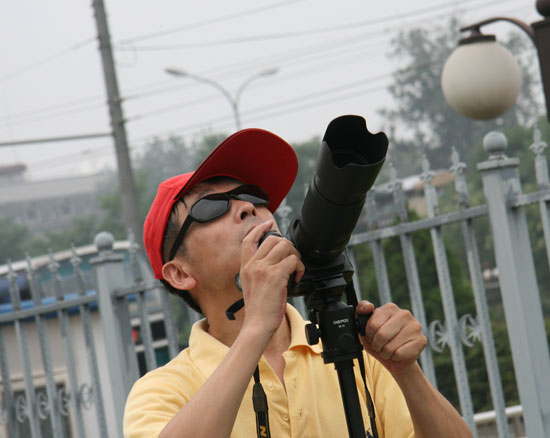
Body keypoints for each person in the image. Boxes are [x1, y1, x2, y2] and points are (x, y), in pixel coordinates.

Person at [123, 128, 473, 438]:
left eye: (254, 197)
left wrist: (405, 371)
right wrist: (257, 328)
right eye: (211, 207)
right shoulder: (163, 390)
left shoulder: (358, 355)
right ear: (179, 274)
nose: (247, 207)